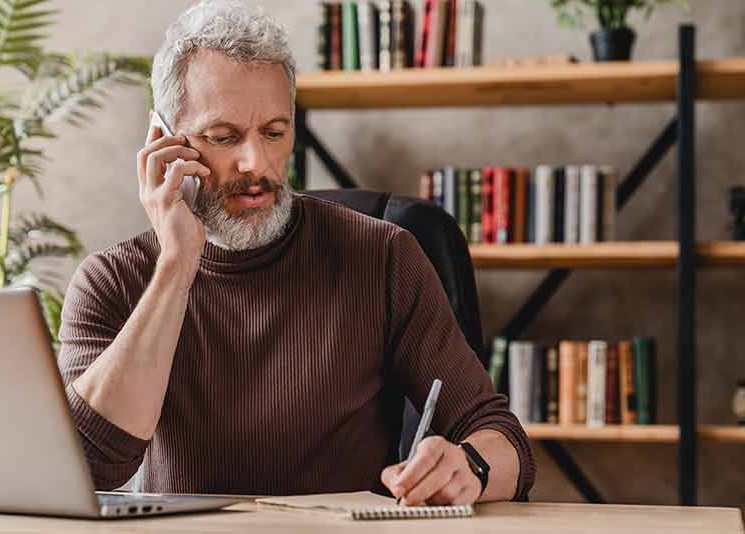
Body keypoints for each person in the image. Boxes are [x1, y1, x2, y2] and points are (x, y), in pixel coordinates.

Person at [58, 0, 535, 505]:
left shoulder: (383, 256)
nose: (256, 163)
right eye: (224, 137)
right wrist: (176, 265)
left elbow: (501, 436)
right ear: (163, 141)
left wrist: (471, 468)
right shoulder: (110, 280)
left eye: (274, 132)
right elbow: (90, 466)